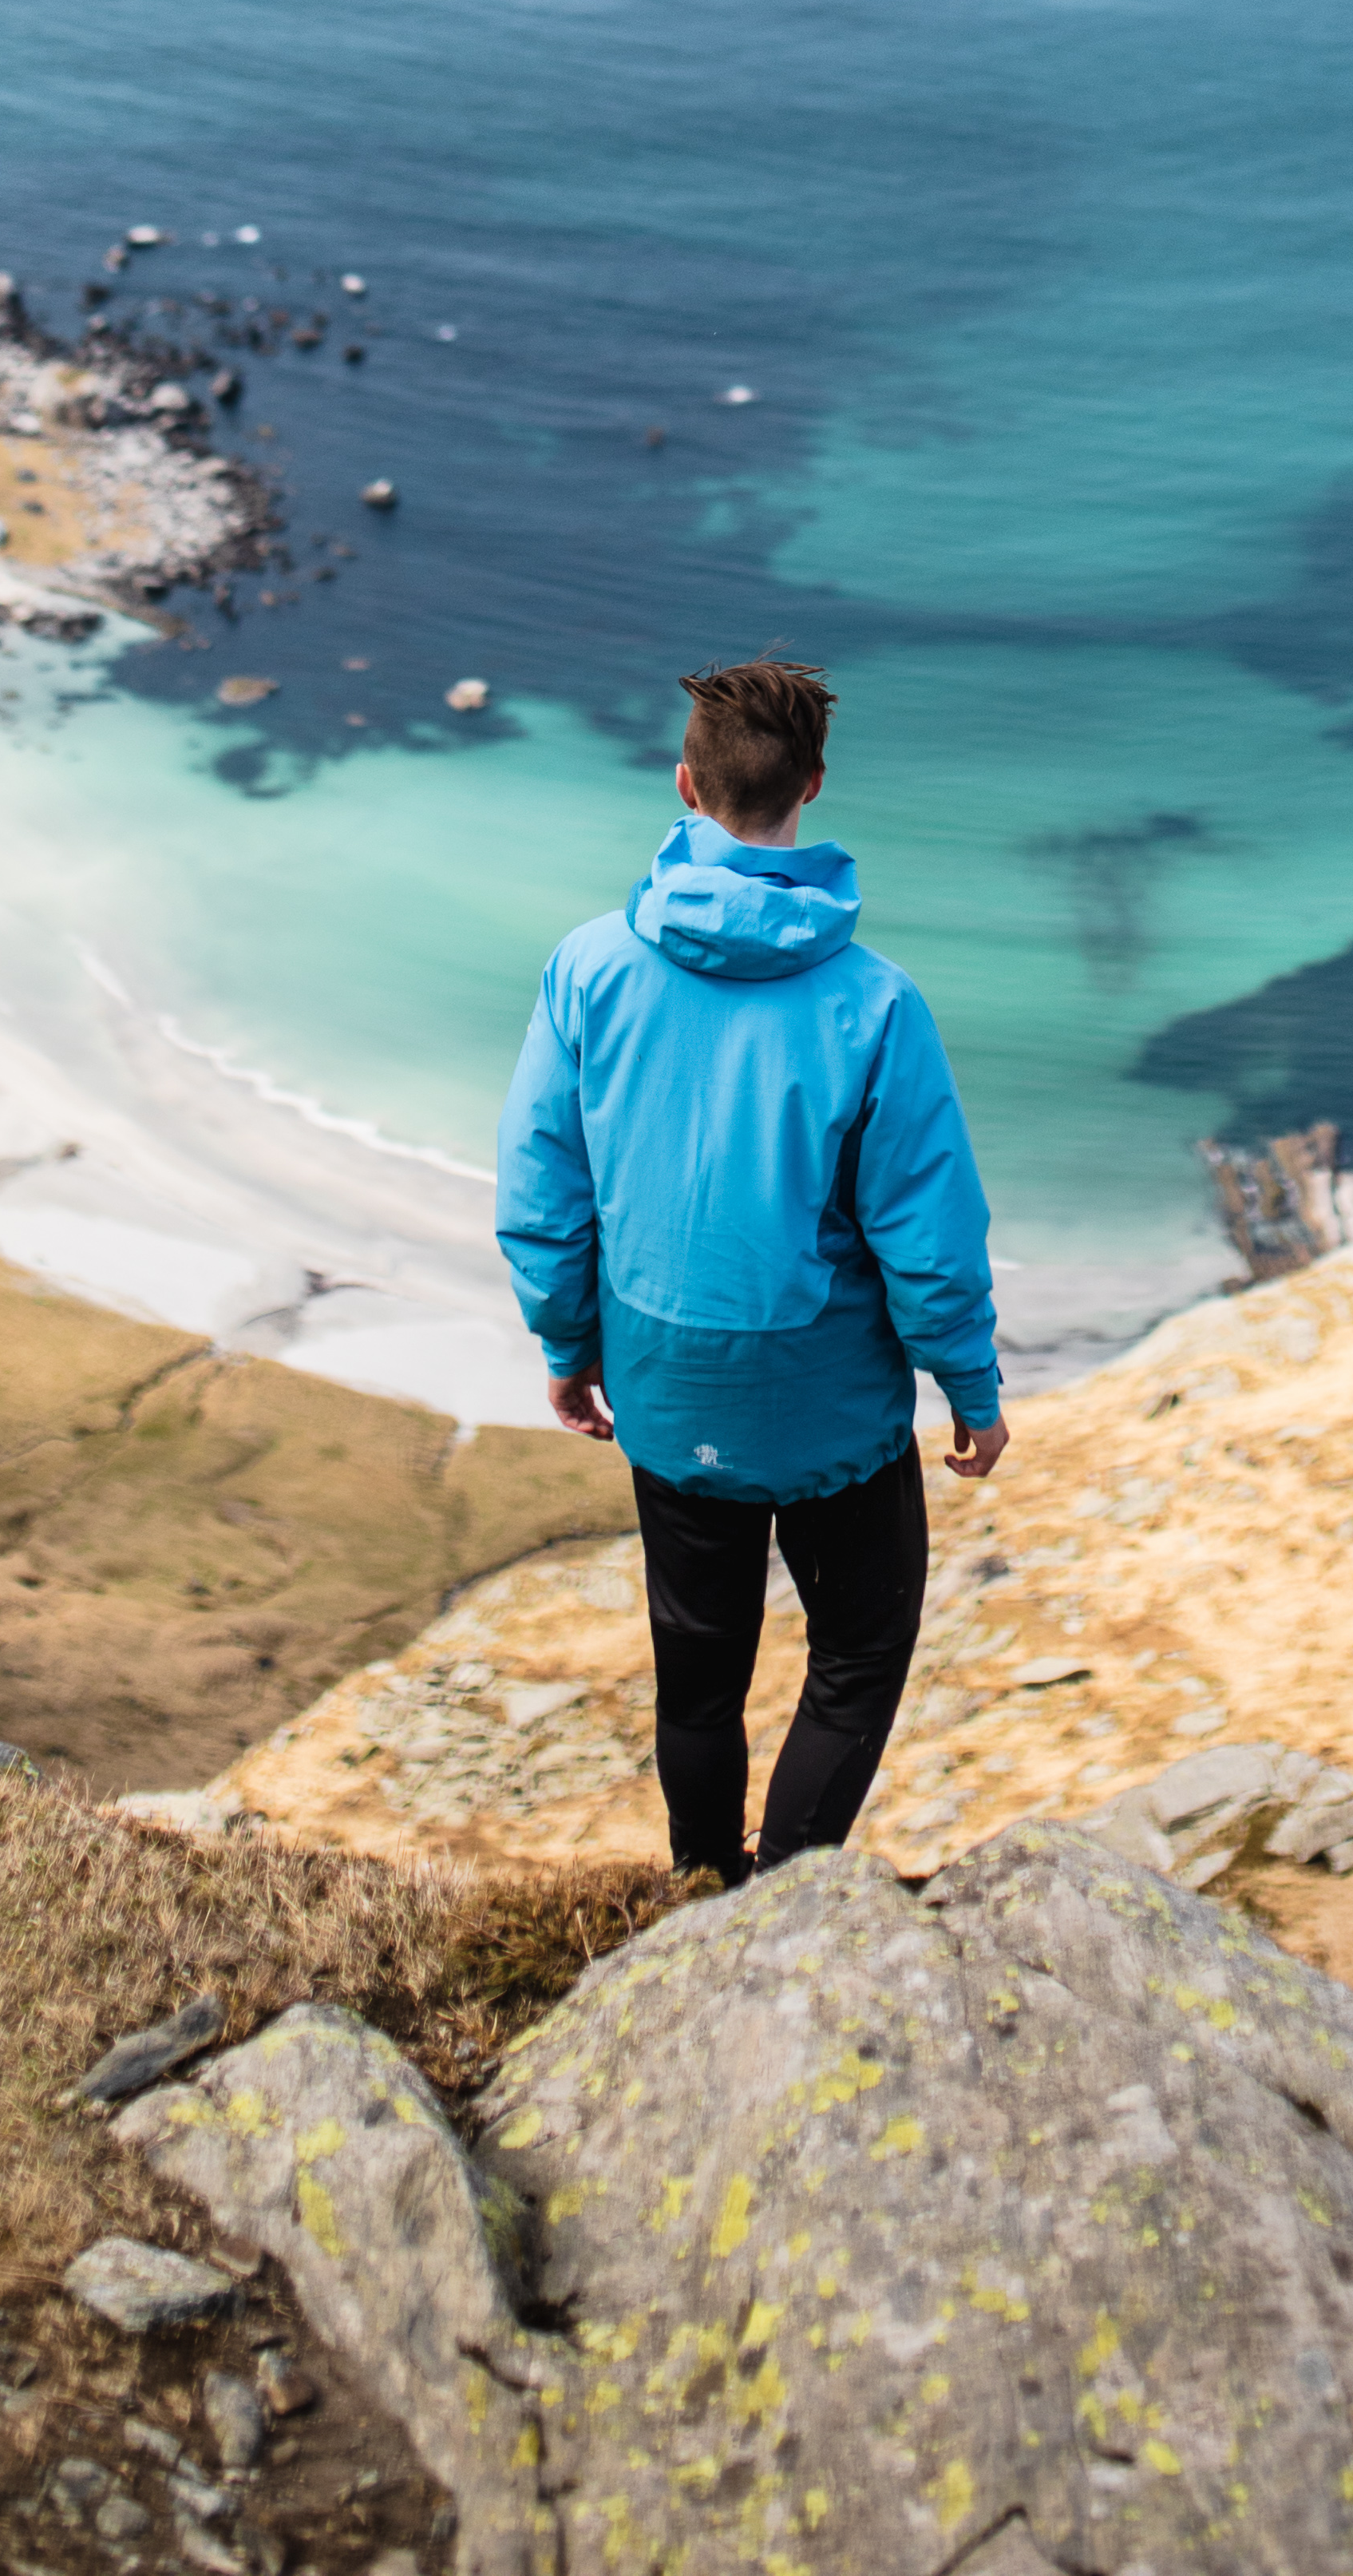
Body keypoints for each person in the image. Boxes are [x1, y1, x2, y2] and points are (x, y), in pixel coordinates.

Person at [493, 654, 1007, 1884]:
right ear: (813, 787)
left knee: (698, 1673)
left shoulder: (588, 969)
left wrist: (568, 1346)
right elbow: (927, 1240)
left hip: (668, 1391)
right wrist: (971, 1388)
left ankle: (699, 1890)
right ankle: (786, 1897)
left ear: (686, 783)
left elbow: (542, 1192)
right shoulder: (878, 1006)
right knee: (859, 1657)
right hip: (833, 1412)